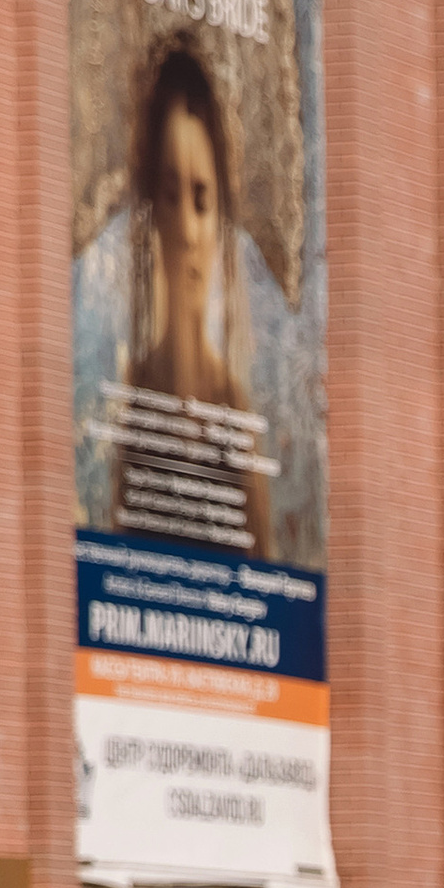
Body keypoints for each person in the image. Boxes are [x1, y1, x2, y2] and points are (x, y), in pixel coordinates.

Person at [117, 37, 274, 556]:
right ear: (151, 213)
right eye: (170, 197)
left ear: (221, 217)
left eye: (202, 201)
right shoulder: (132, 392)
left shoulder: (235, 406)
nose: (186, 229)